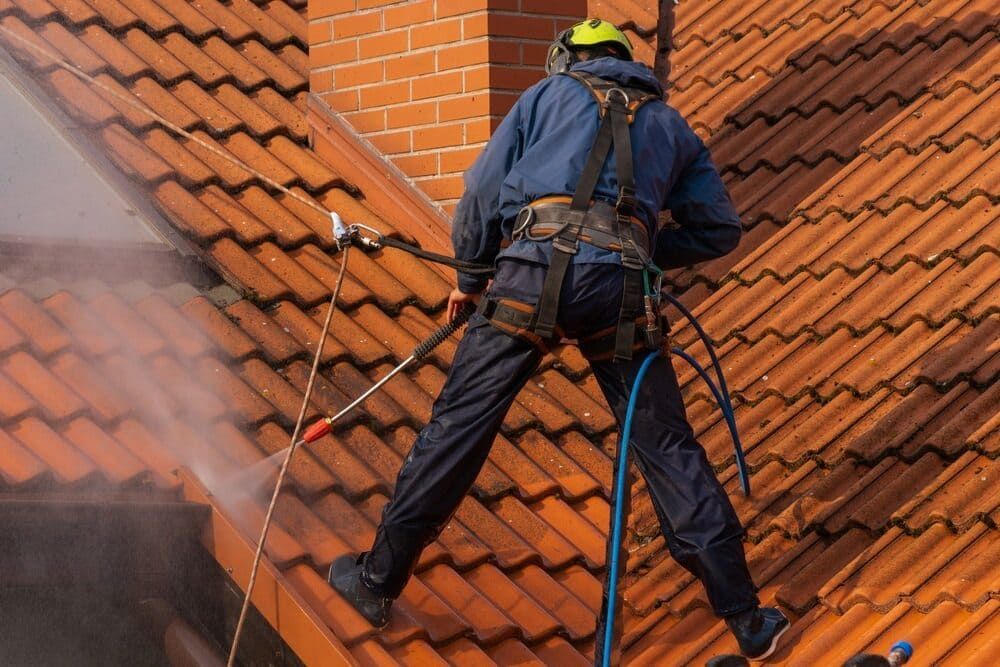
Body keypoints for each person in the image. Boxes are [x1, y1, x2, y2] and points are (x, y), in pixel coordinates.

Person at [328, 18, 790, 661]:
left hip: (530, 272)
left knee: (460, 426)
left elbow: (482, 191)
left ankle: (376, 582)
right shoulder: (670, 123)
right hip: (621, 293)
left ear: (569, 59)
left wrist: (471, 277)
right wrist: (639, 249)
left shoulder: (545, 96)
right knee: (665, 446)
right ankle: (746, 618)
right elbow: (719, 229)